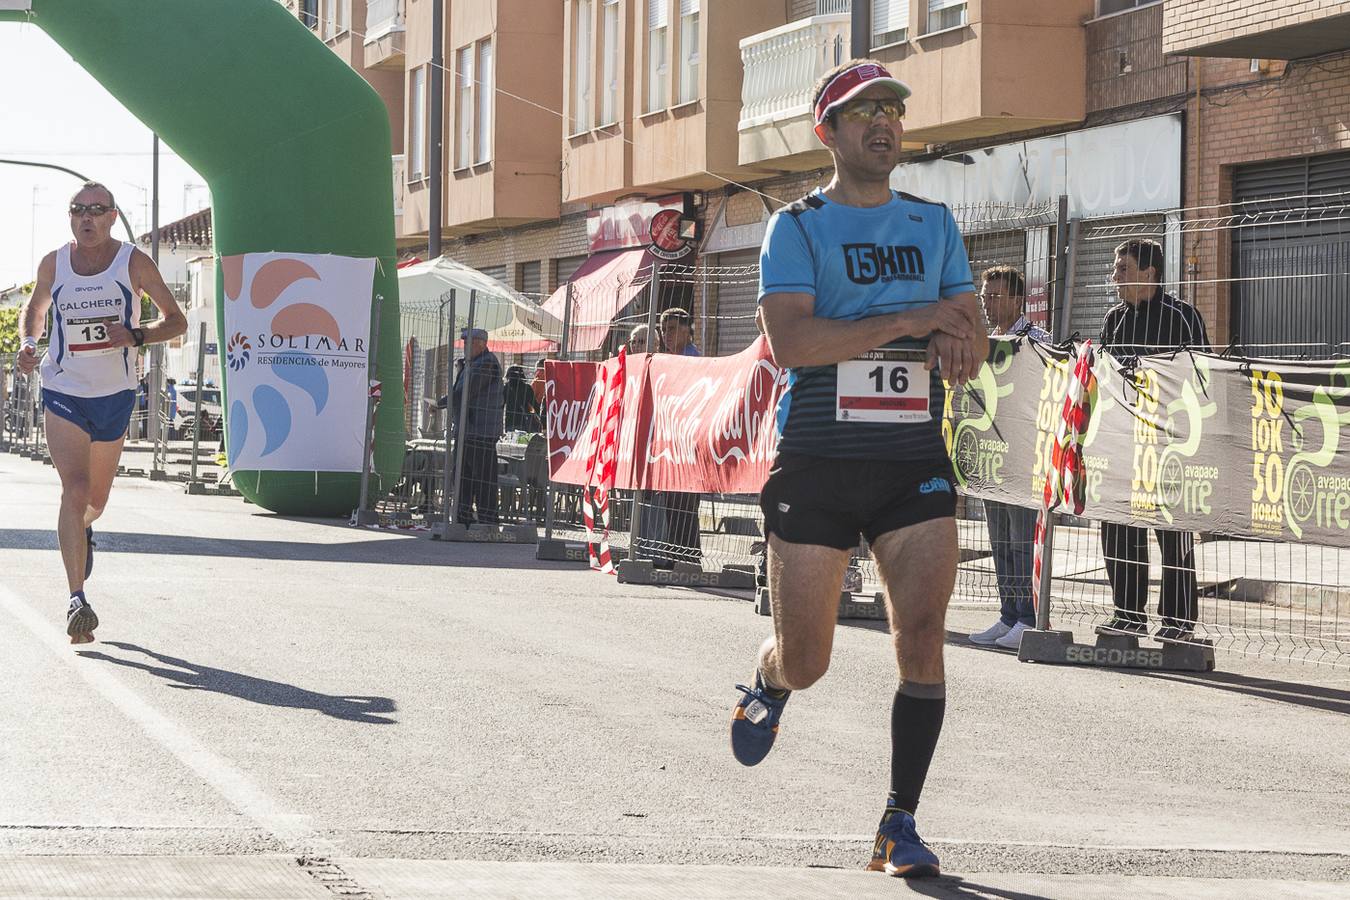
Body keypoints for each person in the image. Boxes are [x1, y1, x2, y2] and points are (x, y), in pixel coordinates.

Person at [731, 59, 987, 880]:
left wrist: (957, 342)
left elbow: (973, 347)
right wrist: (914, 318)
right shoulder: (797, 227)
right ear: (828, 132)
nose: (883, 122)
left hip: (911, 458)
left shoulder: (934, 223)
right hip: (817, 458)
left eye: (892, 111)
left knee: (922, 635)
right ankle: (770, 680)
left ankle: (897, 821)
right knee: (810, 657)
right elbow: (794, 344)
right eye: (863, 111)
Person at [16, 182, 187, 643]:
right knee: (73, 489)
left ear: (113, 216)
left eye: (96, 210)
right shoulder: (55, 262)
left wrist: (133, 336)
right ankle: (77, 599)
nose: (86, 217)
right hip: (64, 390)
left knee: (95, 501)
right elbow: (34, 310)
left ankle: (84, 532)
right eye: (78, 210)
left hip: (114, 395)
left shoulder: (132, 261)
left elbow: (177, 321)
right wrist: (30, 344)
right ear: (70, 217)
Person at [1097, 238, 1209, 643]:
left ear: (1150, 273)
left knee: (1173, 533)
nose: (1115, 277)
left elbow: (1204, 379)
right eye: (1115, 269)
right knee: (1117, 528)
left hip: (1169, 447)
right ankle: (1127, 614)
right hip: (1123, 444)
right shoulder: (1114, 319)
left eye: (1122, 269)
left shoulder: (1183, 317)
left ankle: (1178, 622)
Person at [967, 266, 1050, 651]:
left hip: (1023, 457)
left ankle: (1028, 617)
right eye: (985, 296)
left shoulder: (1037, 340)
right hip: (990, 456)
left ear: (1018, 300)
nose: (988, 303)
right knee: (999, 539)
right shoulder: (983, 341)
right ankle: (1007, 614)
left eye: (996, 296)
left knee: (1021, 540)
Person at [431, 327, 504, 525]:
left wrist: (440, 403)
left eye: (469, 343)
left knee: (482, 479)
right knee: (463, 476)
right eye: (464, 343)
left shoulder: (485, 364)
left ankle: (487, 520)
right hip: (468, 429)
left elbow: (466, 392)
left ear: (481, 345)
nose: (465, 347)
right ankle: (462, 517)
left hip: (481, 431)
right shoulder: (472, 364)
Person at [502, 365, 540, 433]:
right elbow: (535, 406)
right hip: (524, 422)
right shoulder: (527, 388)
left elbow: (500, 406)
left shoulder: (505, 388)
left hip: (510, 423)